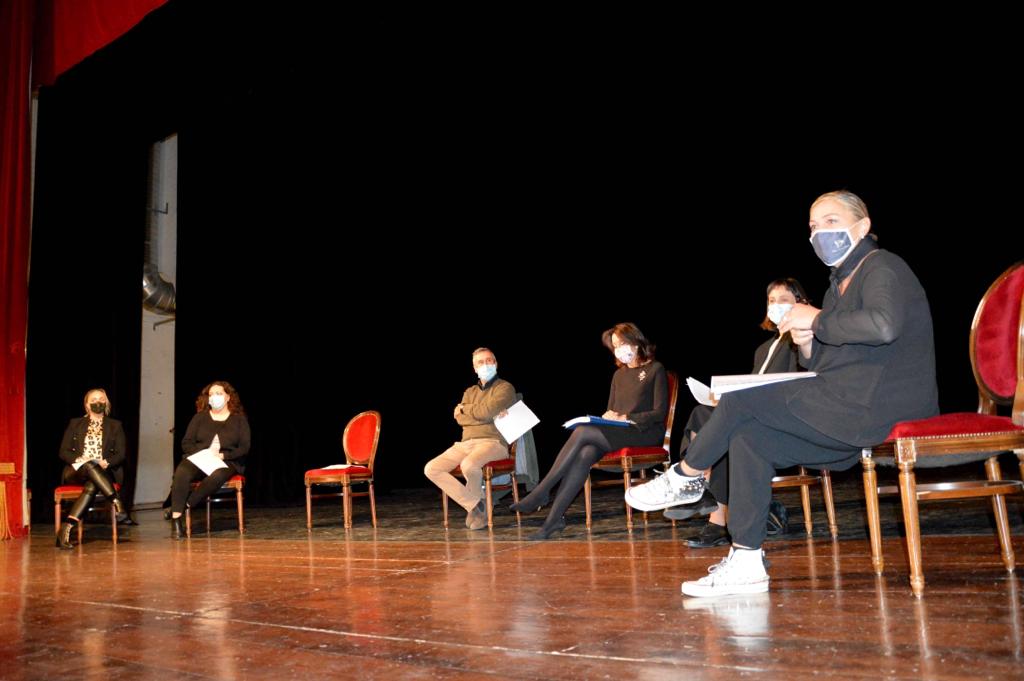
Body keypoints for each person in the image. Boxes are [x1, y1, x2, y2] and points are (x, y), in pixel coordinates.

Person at [626, 190, 938, 597]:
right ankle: (746, 559)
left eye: (831, 221)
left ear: (862, 226)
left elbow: (883, 326)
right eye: (813, 226)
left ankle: (685, 476)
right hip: (847, 410)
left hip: (881, 407)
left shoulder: (883, 266)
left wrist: (817, 320)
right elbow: (826, 361)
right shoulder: (836, 288)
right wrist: (808, 344)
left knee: (741, 399)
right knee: (749, 438)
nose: (820, 233)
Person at [669, 278, 811, 549]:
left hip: (784, 419)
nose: (776, 306)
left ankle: (704, 500)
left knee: (726, 427)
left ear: (801, 304)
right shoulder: (763, 349)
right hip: (754, 416)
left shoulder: (802, 341)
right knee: (703, 415)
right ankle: (704, 495)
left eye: (784, 300)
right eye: (771, 301)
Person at [511, 322, 668, 540]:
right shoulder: (618, 375)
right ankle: (552, 521)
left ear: (636, 341)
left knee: (583, 431)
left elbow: (659, 413)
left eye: (622, 343)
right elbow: (613, 409)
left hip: (645, 432)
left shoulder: (655, 369)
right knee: (584, 454)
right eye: (615, 346)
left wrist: (626, 417)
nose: (618, 349)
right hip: (620, 432)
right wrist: (610, 416)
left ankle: (542, 491)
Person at [424, 347, 517, 530]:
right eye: (480, 362)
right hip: (465, 443)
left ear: (496, 363)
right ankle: (476, 505)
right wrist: (482, 414)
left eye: (489, 360)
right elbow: (460, 419)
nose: (485, 365)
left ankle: (477, 509)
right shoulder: (469, 391)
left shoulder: (505, 388)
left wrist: (466, 409)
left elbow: (486, 412)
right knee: (431, 468)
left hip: (493, 442)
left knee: (469, 465)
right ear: (475, 368)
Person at [168, 381, 251, 539]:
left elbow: (244, 447)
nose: (214, 397)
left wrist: (223, 456)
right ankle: (176, 521)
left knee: (218, 474)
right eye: (211, 394)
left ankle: (184, 506)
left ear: (228, 397)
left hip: (227, 460)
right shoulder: (199, 418)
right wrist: (203, 454)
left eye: (219, 393)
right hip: (200, 458)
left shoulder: (239, 420)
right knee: (182, 471)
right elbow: (186, 443)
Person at [56, 389, 127, 548]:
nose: (98, 402)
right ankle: (116, 500)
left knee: (92, 484)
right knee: (89, 464)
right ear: (87, 405)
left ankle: (66, 528)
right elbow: (63, 451)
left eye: (101, 399)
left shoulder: (115, 425)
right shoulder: (75, 423)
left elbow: (121, 454)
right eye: (93, 400)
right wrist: (79, 459)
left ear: (106, 403)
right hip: (76, 470)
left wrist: (106, 462)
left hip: (101, 471)